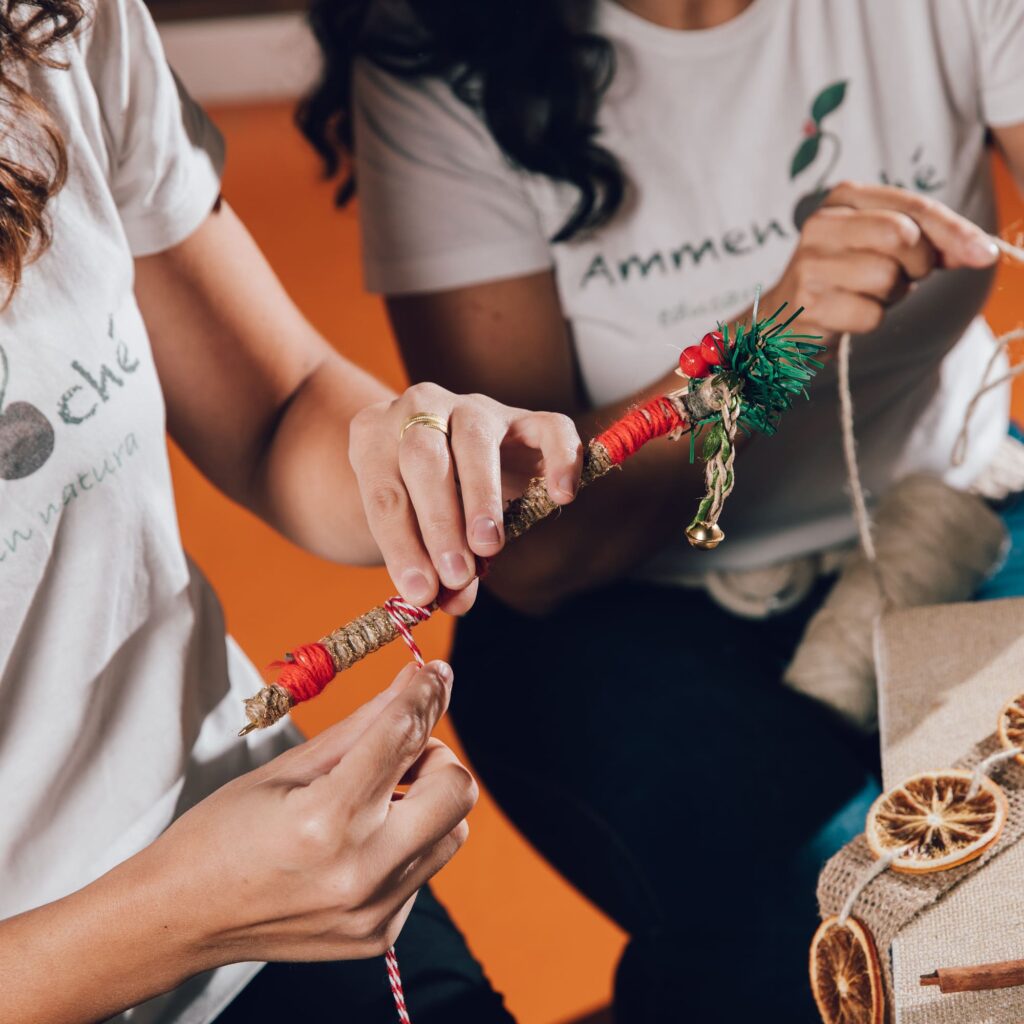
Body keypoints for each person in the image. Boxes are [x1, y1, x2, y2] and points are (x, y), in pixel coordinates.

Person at [300, 0, 1024, 1018]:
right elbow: (542, 555)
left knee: (1002, 918)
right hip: (612, 610)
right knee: (839, 946)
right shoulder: (442, 51)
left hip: (951, 503)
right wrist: (768, 343)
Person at [0, 2, 584, 1022]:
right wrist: (185, 915)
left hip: (279, 859)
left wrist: (412, 458)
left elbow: (274, 408)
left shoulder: (52, 27)